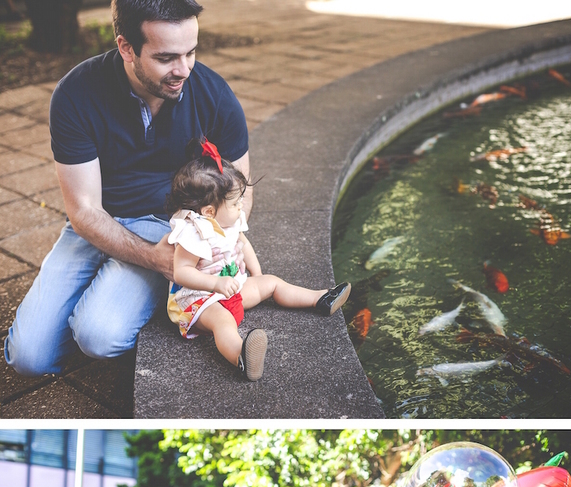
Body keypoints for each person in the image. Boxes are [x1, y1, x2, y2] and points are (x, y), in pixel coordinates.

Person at [4, 0, 249, 376]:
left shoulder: (214, 93)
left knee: (98, 338)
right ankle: (124, 303)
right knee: (29, 359)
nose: (184, 70)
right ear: (126, 47)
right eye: (167, 57)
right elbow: (84, 210)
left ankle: (120, 306)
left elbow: (240, 193)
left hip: (170, 229)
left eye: (191, 52)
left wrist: (215, 249)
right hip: (95, 222)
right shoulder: (76, 94)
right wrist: (153, 261)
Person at [165, 140, 350, 380]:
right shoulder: (193, 232)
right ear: (209, 211)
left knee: (272, 282)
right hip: (201, 301)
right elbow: (181, 272)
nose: (241, 206)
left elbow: (243, 243)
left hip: (233, 288)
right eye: (235, 202)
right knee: (223, 323)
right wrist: (215, 285)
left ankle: (320, 299)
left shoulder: (230, 221)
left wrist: (257, 274)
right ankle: (241, 356)